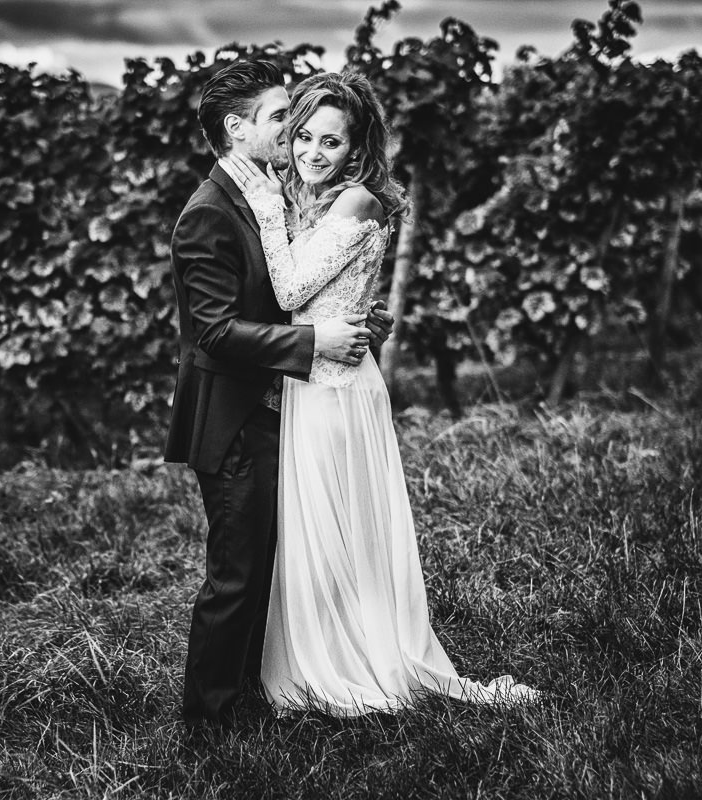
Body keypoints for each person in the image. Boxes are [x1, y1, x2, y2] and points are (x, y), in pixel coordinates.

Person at [218, 70, 538, 716]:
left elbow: (290, 290)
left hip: (335, 390)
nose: (312, 152)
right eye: (303, 136)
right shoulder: (315, 197)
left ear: (357, 147)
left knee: (341, 528)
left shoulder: (355, 202)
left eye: (330, 142)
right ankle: (331, 651)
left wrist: (265, 210)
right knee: (321, 531)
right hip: (313, 381)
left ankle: (355, 661)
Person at [164, 60, 395, 727]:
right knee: (236, 573)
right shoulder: (209, 212)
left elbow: (296, 289)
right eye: (279, 115)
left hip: (280, 406)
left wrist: (354, 315)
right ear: (238, 128)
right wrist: (315, 341)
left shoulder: (269, 194)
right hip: (232, 417)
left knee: (266, 563)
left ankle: (252, 693)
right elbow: (213, 332)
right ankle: (207, 726)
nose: (293, 127)